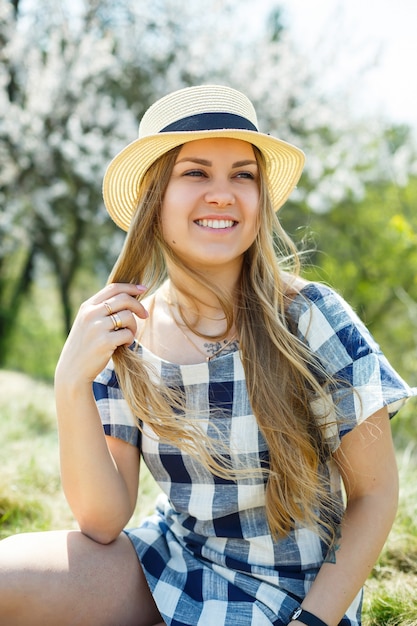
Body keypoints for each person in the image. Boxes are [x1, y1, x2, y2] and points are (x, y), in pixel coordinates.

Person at [0, 84, 415, 626]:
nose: (223, 194)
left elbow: (376, 494)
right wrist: (70, 382)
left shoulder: (311, 318)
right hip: (174, 562)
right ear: (155, 198)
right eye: (195, 173)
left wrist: (313, 622)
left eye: (243, 175)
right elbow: (103, 523)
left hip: (298, 595)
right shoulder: (129, 333)